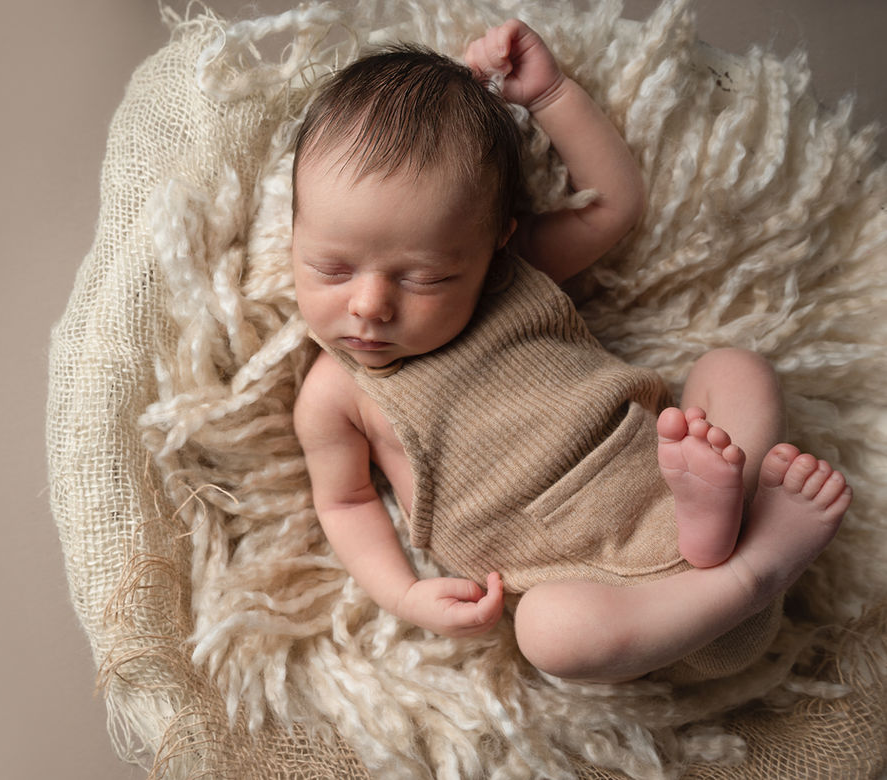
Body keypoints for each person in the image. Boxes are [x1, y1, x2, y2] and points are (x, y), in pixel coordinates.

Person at [291, 20, 852, 682]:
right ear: (292, 234)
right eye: (331, 268)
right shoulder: (334, 393)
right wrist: (403, 594)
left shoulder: (511, 277)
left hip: (660, 478)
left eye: (424, 277)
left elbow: (613, 205)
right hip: (630, 612)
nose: (369, 305)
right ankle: (748, 574)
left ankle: (717, 529)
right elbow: (345, 503)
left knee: (735, 369)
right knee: (547, 632)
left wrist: (550, 93)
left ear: (493, 243)